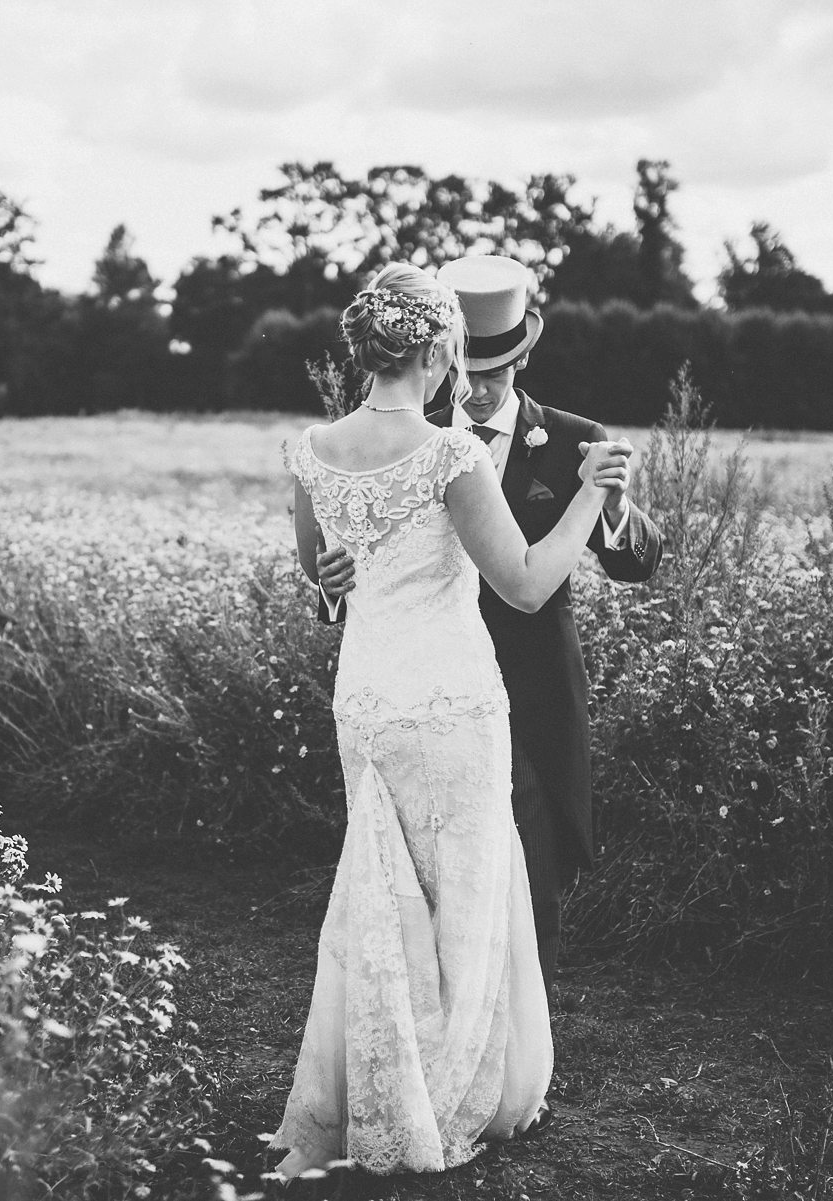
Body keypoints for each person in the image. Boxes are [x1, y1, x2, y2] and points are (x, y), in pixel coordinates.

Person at [274, 263, 632, 1180]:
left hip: (367, 698)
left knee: (383, 887)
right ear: (436, 348)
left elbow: (322, 573)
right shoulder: (451, 455)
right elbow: (522, 580)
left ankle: (377, 1084)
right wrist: (590, 494)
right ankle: (442, 1090)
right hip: (450, 699)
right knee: (463, 885)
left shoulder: (312, 448)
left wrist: (329, 585)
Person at [317, 255, 662, 1006]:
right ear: (442, 351)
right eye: (470, 366)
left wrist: (607, 505)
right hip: (428, 701)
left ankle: (512, 1066)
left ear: (523, 355)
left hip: (530, 702)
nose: (476, 387)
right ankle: (442, 1051)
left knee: (527, 892)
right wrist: (333, 590)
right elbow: (354, 563)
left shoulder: (574, 437)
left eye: (497, 369)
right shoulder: (418, 437)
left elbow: (637, 560)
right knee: (428, 894)